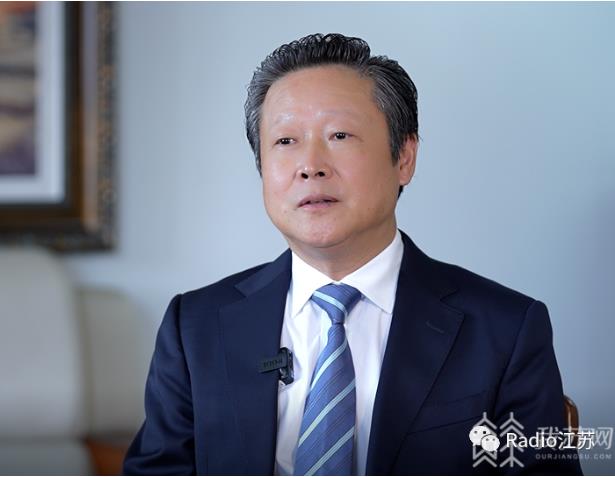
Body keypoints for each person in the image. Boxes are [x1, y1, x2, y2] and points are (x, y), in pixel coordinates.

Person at [124, 33, 582, 475]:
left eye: (340, 135)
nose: (311, 166)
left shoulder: (505, 329)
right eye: (285, 141)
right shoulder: (195, 326)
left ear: (404, 158)